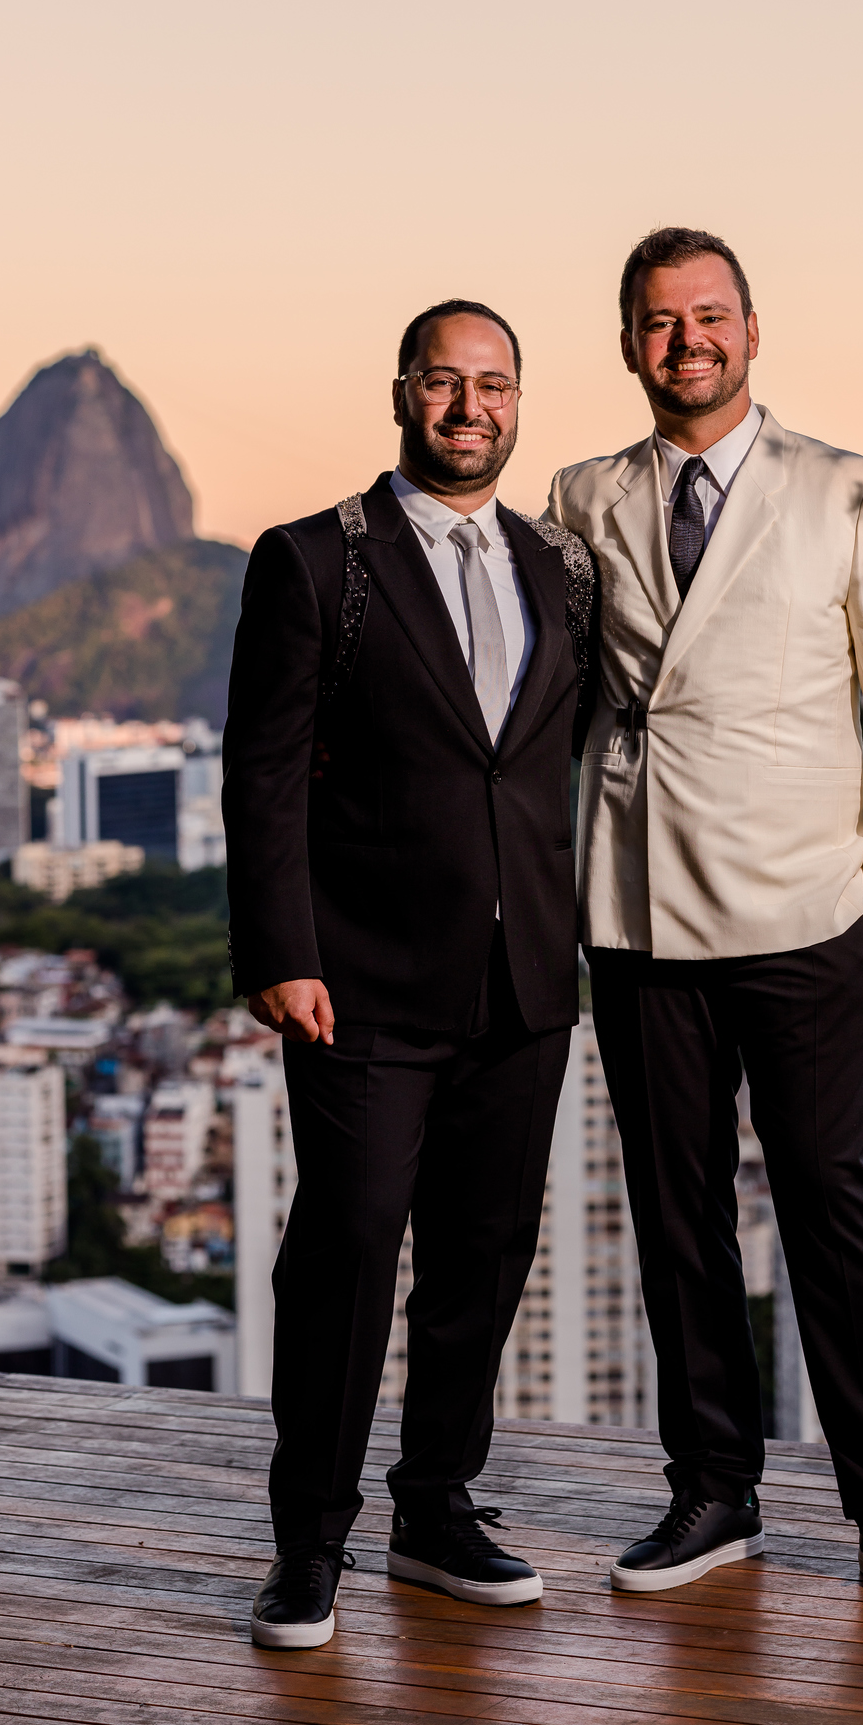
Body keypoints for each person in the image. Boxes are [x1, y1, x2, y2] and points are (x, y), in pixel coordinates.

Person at [547, 228, 863, 1618]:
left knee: (830, 1206)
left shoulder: (847, 488)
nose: (688, 341)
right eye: (660, 321)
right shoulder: (583, 493)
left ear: (751, 327)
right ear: (629, 343)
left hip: (807, 912)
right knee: (677, 1217)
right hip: (638, 907)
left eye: (710, 315)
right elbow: (543, 688)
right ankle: (713, 1492)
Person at [223, 298, 597, 1647]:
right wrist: (281, 952)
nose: (468, 409)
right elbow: (262, 769)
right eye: (444, 382)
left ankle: (436, 1511)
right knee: (347, 1254)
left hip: (525, 981)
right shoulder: (316, 559)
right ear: (401, 394)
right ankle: (309, 1544)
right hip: (361, 984)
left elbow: (553, 760)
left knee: (483, 1260)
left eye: (493, 385)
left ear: (519, 402)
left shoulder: (560, 568)